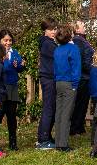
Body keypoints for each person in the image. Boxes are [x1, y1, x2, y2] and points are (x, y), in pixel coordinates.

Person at [0, 29, 25, 151]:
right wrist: (6, 60)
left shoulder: (15, 52)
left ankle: (13, 142)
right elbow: (1, 69)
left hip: (12, 87)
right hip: (1, 88)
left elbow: (18, 68)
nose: (8, 43)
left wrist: (22, 65)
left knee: (12, 116)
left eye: (10, 40)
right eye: (5, 40)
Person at [54, 24, 81, 152]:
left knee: (59, 113)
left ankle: (58, 142)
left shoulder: (57, 49)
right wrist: (75, 85)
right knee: (66, 114)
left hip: (58, 82)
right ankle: (63, 144)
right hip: (69, 83)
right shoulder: (73, 48)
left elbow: (55, 68)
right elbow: (76, 69)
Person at [36, 17, 58, 150]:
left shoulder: (50, 42)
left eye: (55, 29)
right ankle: (43, 139)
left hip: (50, 77)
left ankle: (47, 136)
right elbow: (58, 55)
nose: (54, 32)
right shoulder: (47, 43)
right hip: (48, 78)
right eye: (51, 29)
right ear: (45, 30)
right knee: (48, 109)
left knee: (51, 108)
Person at [70, 20, 94, 136]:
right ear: (77, 29)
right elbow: (80, 60)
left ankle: (79, 126)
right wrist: (92, 70)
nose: (85, 26)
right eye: (83, 25)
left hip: (85, 76)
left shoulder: (82, 40)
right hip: (82, 77)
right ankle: (75, 128)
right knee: (79, 103)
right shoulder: (78, 41)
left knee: (83, 103)